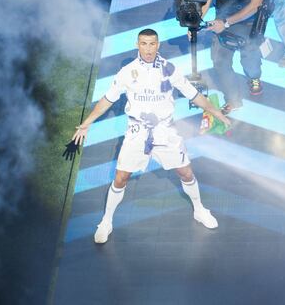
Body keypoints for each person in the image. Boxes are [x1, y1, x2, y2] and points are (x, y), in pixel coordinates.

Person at [73, 28, 231, 244]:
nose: (148, 48)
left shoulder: (169, 69)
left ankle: (199, 209)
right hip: (137, 132)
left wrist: (217, 113)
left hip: (165, 131)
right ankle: (106, 221)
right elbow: (107, 100)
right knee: (120, 178)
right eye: (144, 44)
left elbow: (194, 95)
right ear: (138, 45)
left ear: (158, 45)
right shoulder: (127, 72)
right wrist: (86, 123)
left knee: (186, 173)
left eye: (152, 43)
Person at [203, 0, 268, 114]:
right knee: (219, 61)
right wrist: (196, 20)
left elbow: (255, 4)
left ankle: (254, 78)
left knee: (250, 59)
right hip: (224, 13)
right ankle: (233, 99)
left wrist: (225, 23)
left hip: (250, 19)